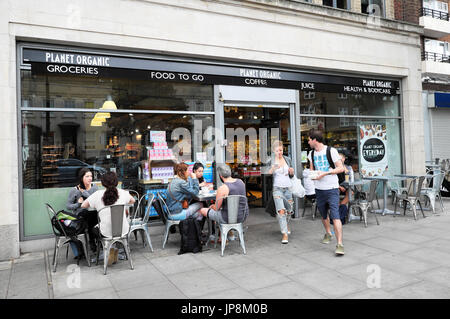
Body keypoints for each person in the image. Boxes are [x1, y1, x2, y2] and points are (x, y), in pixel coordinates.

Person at [307, 129, 345, 256]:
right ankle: (328, 233)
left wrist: (326, 173)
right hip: (319, 189)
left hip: (332, 188)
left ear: (314, 140)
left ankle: (340, 244)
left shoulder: (331, 151)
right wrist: (312, 175)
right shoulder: (311, 154)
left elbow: (341, 168)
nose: (308, 142)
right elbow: (312, 170)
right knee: (323, 215)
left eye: (309, 139)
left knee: (335, 216)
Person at [81, 171, 135, 240]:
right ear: (116, 182)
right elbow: (133, 201)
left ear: (103, 183)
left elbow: (83, 205)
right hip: (123, 230)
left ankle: (103, 247)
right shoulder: (123, 192)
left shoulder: (97, 194)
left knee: (93, 228)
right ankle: (117, 246)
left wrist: (96, 205)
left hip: (105, 232)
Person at [267, 140, 295, 244]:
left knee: (289, 210)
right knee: (281, 211)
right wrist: (273, 168)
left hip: (288, 188)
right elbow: (268, 173)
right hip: (277, 189)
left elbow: (291, 175)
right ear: (274, 151)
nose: (280, 152)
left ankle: (285, 225)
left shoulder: (287, 159)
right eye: (277, 150)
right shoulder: (271, 161)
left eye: (281, 150)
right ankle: (284, 234)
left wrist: (291, 172)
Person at [66, 168, 99, 253]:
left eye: (91, 176)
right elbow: (68, 206)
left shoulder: (94, 187)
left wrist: (84, 192)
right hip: (81, 216)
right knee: (89, 216)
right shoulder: (75, 190)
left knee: (95, 215)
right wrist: (78, 204)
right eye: (87, 176)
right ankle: (94, 242)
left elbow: (95, 200)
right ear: (81, 178)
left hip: (93, 214)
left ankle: (95, 242)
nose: (90, 178)